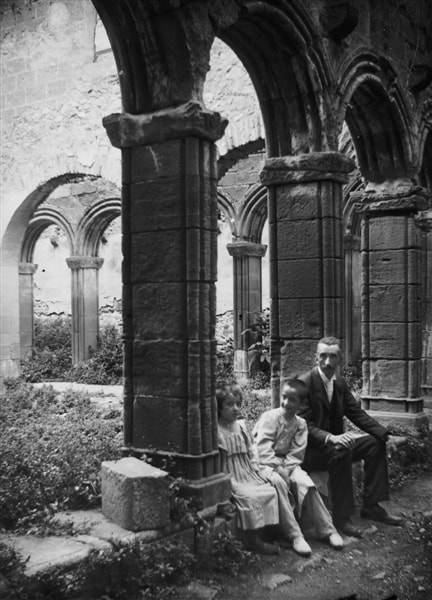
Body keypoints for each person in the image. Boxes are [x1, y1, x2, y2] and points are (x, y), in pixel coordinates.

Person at [298, 336, 402, 538]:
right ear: (315, 358)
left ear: (340, 359)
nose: (328, 362)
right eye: (323, 356)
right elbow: (304, 426)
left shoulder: (339, 384)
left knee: (374, 443)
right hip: (310, 451)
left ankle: (371, 506)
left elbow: (356, 413)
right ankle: (342, 517)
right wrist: (331, 437)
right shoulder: (304, 383)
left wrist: (384, 434)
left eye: (333, 357)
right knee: (342, 450)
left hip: (335, 446)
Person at [217, 381, 312, 556]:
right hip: (232, 475)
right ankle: (253, 541)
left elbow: (251, 452)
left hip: (248, 470)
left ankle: (279, 532)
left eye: (238, 404)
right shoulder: (217, 431)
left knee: (270, 488)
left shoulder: (240, 426)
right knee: (250, 497)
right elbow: (219, 463)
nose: (235, 408)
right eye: (229, 404)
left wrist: (256, 469)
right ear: (219, 407)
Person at [253, 378, 344, 551]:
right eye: (284, 397)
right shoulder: (270, 418)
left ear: (301, 404)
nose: (286, 403)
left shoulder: (300, 424)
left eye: (292, 400)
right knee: (278, 483)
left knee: (305, 482)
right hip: (264, 463)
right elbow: (262, 449)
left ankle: (327, 530)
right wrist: (279, 470)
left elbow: (296, 453)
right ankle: (295, 535)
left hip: (287, 464)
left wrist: (286, 469)